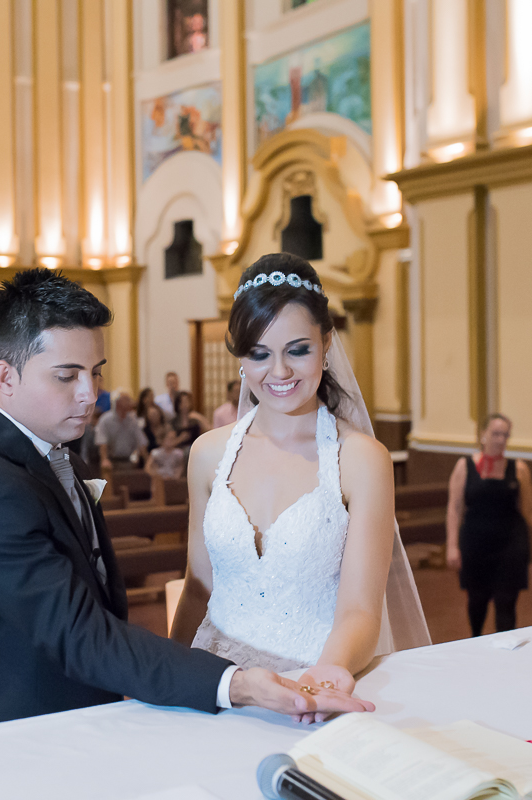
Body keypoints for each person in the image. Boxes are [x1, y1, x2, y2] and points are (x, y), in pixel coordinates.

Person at [0, 268, 366, 731]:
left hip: (86, 718)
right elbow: (79, 633)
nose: (90, 394)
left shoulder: (60, 457)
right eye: (66, 376)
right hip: (18, 733)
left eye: (95, 373)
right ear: (4, 376)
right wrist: (235, 684)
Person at [171, 254, 430, 718]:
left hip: (313, 677)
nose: (280, 372)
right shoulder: (207, 454)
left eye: (297, 349)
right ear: (241, 358)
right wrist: (169, 676)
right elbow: (198, 586)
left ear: (326, 344)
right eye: (259, 353)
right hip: (217, 680)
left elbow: (360, 610)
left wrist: (320, 681)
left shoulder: (361, 460)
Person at [446, 413, 532, 636]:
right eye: (496, 433)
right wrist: (451, 545)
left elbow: (531, 509)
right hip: (475, 544)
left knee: (506, 603)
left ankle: (505, 650)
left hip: (510, 545)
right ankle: (475, 641)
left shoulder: (519, 469)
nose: (500, 439)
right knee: (477, 601)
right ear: (482, 435)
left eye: (505, 435)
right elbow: (454, 508)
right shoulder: (464, 466)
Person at [95, 392, 146, 472]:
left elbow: (141, 441)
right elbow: (102, 442)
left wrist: (147, 461)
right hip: (111, 460)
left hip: (128, 460)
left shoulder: (132, 420)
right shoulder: (105, 420)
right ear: (118, 404)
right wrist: (104, 459)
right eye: (127, 401)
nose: (130, 403)